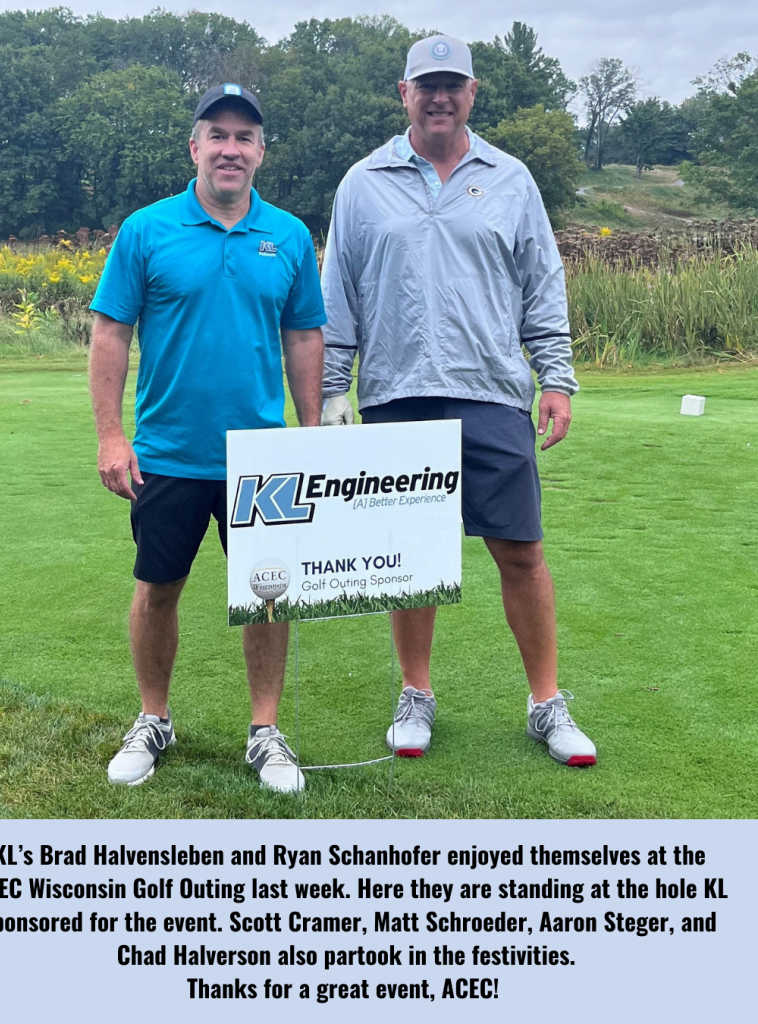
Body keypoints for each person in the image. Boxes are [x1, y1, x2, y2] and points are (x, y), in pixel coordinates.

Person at [320, 36, 596, 767]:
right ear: (403, 92)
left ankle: (545, 702)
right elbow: (337, 297)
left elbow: (542, 287)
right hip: (394, 395)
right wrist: (329, 393)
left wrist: (556, 379)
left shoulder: (510, 179)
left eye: (452, 85)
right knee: (411, 560)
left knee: (520, 552)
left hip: (491, 393)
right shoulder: (362, 182)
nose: (439, 97)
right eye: (425, 85)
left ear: (471, 93)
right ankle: (416, 693)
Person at [89, 83, 325, 792]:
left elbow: (304, 335)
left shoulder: (286, 235)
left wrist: (310, 432)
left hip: (261, 458)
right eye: (216, 135)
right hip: (167, 452)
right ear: (194, 147)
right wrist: (110, 435)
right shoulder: (146, 230)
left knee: (268, 594)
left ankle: (265, 730)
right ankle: (153, 719)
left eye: (243, 138)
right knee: (157, 589)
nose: (230, 148)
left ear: (260, 153)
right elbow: (110, 333)